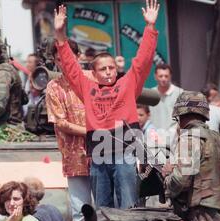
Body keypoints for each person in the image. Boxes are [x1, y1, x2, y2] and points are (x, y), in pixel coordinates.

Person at [54, 0, 160, 209]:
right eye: (103, 69)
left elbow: (143, 60)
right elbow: (69, 65)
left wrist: (149, 27)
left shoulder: (127, 84)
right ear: (93, 73)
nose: (109, 71)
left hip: (125, 154)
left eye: (111, 67)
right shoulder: (86, 87)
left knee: (129, 207)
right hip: (98, 156)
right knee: (102, 210)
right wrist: (59, 33)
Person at [162, 91, 220, 221]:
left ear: (181, 115)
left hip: (202, 216)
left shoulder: (189, 138)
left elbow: (180, 181)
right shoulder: (218, 138)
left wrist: (168, 174)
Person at [46, 39, 92, 221]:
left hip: (103, 151)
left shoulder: (94, 78)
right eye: (59, 59)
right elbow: (61, 123)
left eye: (68, 57)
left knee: (107, 208)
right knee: (81, 213)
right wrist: (91, 131)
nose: (63, 62)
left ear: (78, 56)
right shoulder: (53, 86)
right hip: (75, 156)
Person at [149, 63, 183, 131]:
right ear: (155, 76)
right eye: (160, 76)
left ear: (170, 76)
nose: (163, 79)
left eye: (166, 76)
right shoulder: (151, 94)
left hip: (174, 136)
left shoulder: (180, 93)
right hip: (155, 136)